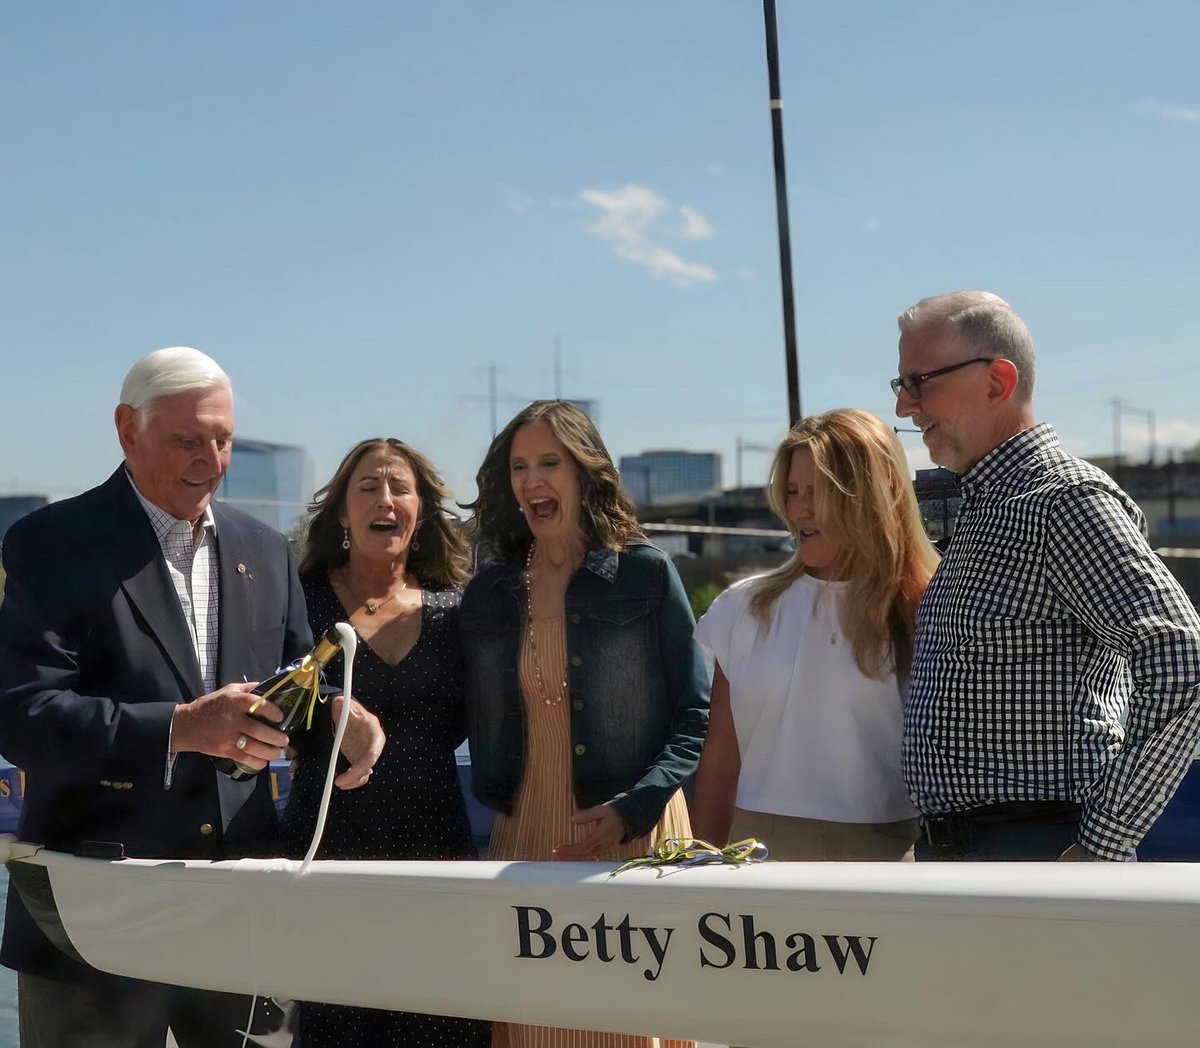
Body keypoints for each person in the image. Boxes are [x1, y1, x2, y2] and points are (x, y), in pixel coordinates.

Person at [0, 346, 384, 1046]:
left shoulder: (267, 549)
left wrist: (337, 720)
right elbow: (22, 716)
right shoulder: (47, 544)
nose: (211, 459)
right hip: (96, 920)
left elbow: (291, 695)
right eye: (188, 441)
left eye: (223, 439)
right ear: (127, 430)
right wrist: (179, 727)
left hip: (239, 911)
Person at [894, 290, 1200, 861]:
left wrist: (1102, 844)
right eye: (901, 387)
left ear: (996, 382)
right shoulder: (992, 505)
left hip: (1039, 848)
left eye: (920, 383)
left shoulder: (1059, 500)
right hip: (986, 851)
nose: (905, 409)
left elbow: (1181, 656)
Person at [460, 400, 709, 1048]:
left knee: (624, 1023)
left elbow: (694, 711)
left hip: (633, 833)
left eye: (550, 462)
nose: (532, 481)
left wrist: (636, 807)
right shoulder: (488, 593)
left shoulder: (646, 573)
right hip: (527, 835)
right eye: (519, 467)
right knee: (540, 1019)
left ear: (584, 471)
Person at [279, 438, 489, 1048]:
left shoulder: (456, 611)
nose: (385, 500)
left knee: (442, 1023)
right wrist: (332, 713)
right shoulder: (301, 598)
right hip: (326, 851)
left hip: (435, 851)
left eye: (400, 488)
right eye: (368, 487)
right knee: (334, 1025)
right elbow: (271, 702)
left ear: (420, 510)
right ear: (342, 512)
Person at [691, 409, 938, 860]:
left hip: (890, 859)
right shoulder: (743, 608)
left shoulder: (928, 608)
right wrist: (701, 863)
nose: (798, 509)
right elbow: (721, 756)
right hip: (756, 857)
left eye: (817, 492)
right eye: (791, 491)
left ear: (868, 498)